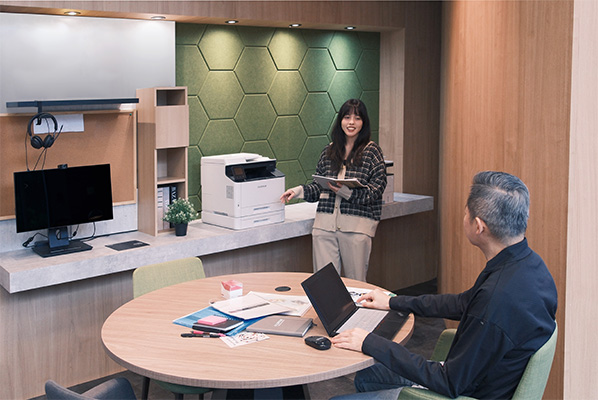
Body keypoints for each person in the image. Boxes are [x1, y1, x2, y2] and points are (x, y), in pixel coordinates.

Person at [330, 171, 557, 399]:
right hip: (482, 376)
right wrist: (393, 302)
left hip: (465, 391)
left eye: (466, 213)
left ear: (479, 226)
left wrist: (370, 342)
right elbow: (462, 303)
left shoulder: (497, 299)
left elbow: (448, 382)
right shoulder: (530, 266)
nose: (464, 217)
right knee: (369, 376)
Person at [280, 99, 387, 281]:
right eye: (347, 117)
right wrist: (298, 191)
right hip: (324, 226)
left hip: (356, 228)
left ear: (364, 122)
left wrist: (345, 192)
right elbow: (319, 186)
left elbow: (375, 191)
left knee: (356, 284)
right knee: (325, 283)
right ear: (340, 121)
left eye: (357, 118)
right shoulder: (329, 151)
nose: (351, 122)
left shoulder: (372, 151)